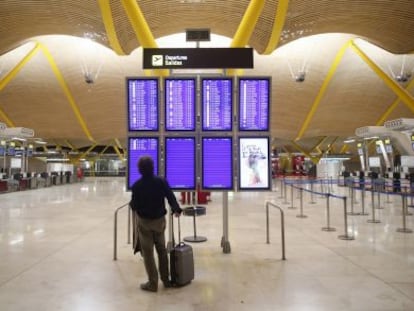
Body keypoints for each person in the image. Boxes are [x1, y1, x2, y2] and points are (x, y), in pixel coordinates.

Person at [129, 156, 182, 292]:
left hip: (144, 223)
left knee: (148, 254)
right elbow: (170, 196)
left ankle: (153, 283)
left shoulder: (137, 186)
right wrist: (176, 209)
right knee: (162, 251)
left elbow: (134, 205)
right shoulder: (161, 181)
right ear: (153, 167)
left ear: (140, 170)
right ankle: (166, 280)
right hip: (159, 222)